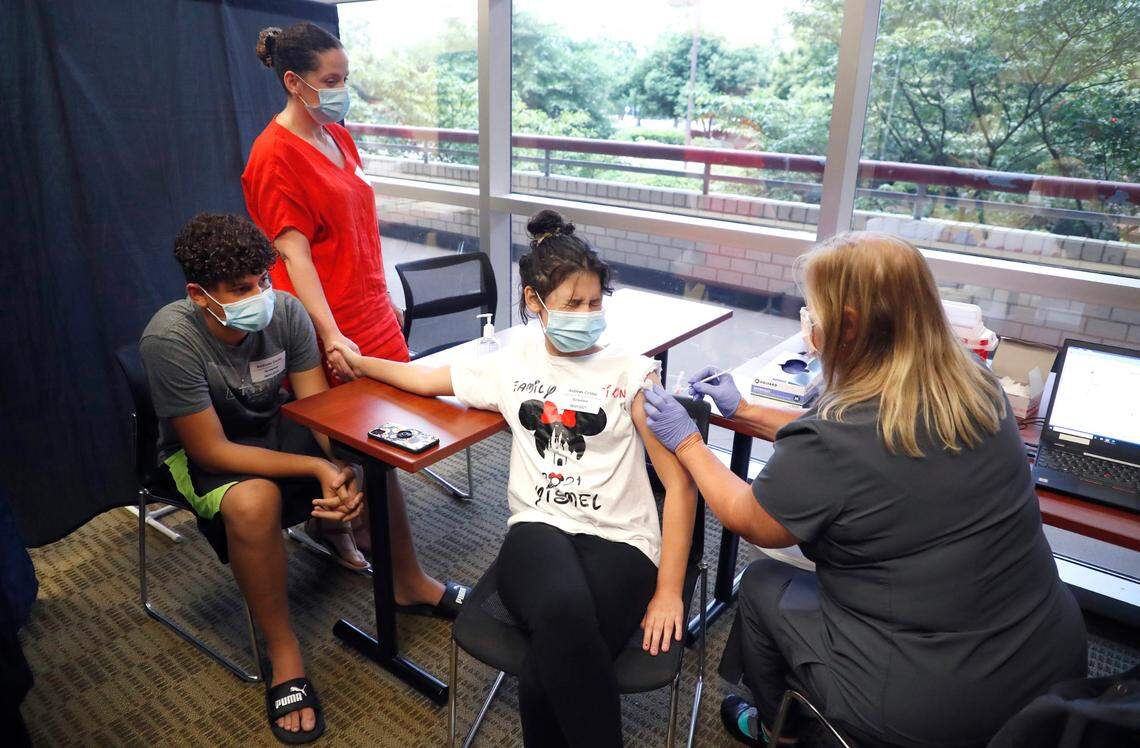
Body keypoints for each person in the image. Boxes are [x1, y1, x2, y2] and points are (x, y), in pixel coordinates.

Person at [641, 232, 1087, 747]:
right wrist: (742, 409)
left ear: (847, 324)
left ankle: (778, 729)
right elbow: (865, 438)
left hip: (932, 700)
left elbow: (749, 515)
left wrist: (690, 442)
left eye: (813, 312)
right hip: (1046, 657)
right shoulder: (974, 387)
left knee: (763, 582)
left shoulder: (837, 437)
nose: (808, 323)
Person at [330, 210, 698, 747]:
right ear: (534, 303)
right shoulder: (510, 361)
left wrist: (669, 591)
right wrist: (363, 364)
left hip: (623, 540)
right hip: (537, 530)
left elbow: (680, 484)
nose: (587, 315)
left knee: (547, 661)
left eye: (595, 303)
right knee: (565, 614)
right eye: (573, 304)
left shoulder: (631, 372)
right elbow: (426, 379)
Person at [242, 23, 456, 608]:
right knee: (375, 445)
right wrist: (331, 331)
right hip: (325, 318)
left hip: (369, 307)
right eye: (330, 81)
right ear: (293, 82)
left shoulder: (337, 135)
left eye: (344, 79)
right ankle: (407, 581)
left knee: (393, 432)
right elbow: (293, 254)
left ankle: (333, 526)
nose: (341, 91)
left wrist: (381, 287)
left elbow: (361, 222)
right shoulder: (273, 155)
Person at [140, 213, 369, 743]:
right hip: (204, 450)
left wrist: (345, 467)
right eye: (242, 289)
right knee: (253, 502)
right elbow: (213, 451)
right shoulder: (169, 338)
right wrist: (318, 466)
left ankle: (388, 568)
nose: (260, 295)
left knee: (368, 451)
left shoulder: (285, 312)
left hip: (275, 425)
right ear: (199, 294)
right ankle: (284, 653)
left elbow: (319, 413)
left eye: (263, 281)